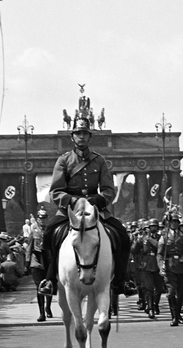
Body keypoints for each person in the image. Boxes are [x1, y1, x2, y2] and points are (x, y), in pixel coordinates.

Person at [38, 116, 131, 298]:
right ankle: (49, 279)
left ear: (90, 138)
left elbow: (108, 189)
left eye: (85, 134)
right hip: (69, 210)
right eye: (78, 133)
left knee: (123, 236)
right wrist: (72, 201)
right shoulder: (63, 161)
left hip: (95, 209)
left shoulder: (99, 161)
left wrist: (97, 200)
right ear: (72, 137)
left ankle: (122, 279)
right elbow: (56, 191)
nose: (81, 137)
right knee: (48, 234)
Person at [157, 209, 183, 325]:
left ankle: (177, 314)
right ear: (169, 223)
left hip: (182, 267)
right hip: (170, 267)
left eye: (176, 222)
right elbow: (160, 253)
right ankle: (174, 317)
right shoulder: (164, 236)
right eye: (172, 222)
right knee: (171, 292)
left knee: (182, 293)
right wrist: (161, 265)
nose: (174, 224)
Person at [24, 208, 52, 321]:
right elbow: (29, 248)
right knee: (39, 287)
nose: (43, 221)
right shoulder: (33, 231)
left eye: (44, 218)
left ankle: (48, 307)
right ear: (38, 219)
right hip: (37, 261)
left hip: (48, 261)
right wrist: (26, 263)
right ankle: (41, 313)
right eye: (41, 218)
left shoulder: (50, 231)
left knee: (49, 286)